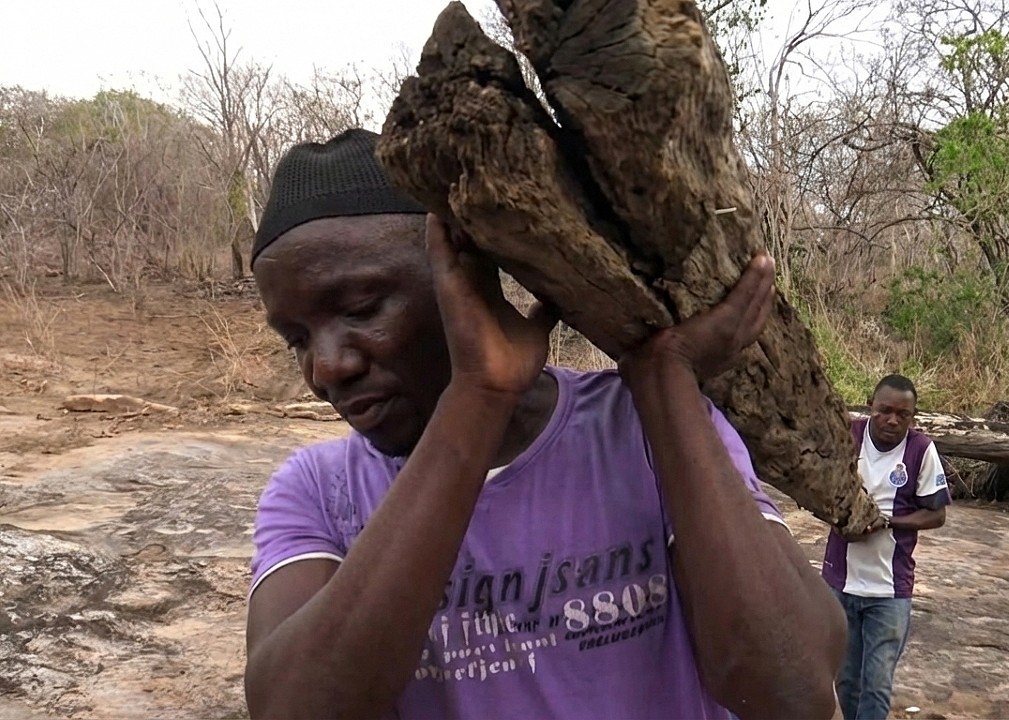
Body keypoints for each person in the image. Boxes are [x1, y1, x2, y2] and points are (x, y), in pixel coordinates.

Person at [240, 128, 846, 720]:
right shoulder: (318, 493)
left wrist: (664, 380)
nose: (326, 367)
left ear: (467, 274)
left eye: (362, 309)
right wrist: (478, 398)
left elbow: (789, 689)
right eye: (295, 337)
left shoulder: (642, 432)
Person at [821, 374, 950, 720]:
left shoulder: (921, 450)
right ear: (870, 405)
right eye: (884, 411)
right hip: (840, 583)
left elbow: (937, 514)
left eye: (902, 414)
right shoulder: (848, 436)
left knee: (876, 685)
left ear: (913, 416)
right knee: (846, 681)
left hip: (889, 590)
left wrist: (889, 522)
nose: (892, 420)